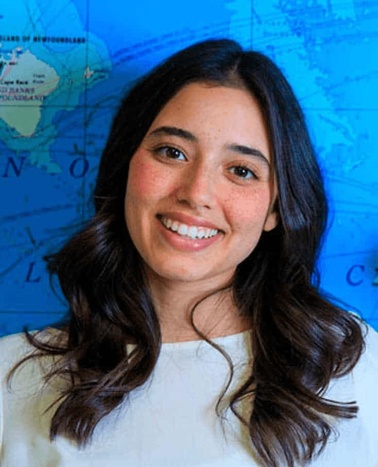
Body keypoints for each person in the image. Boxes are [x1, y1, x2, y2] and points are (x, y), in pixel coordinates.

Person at [0, 38, 377, 467]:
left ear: (276, 207)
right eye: (172, 152)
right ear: (126, 166)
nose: (197, 194)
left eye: (241, 170)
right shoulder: (10, 378)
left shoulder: (356, 370)